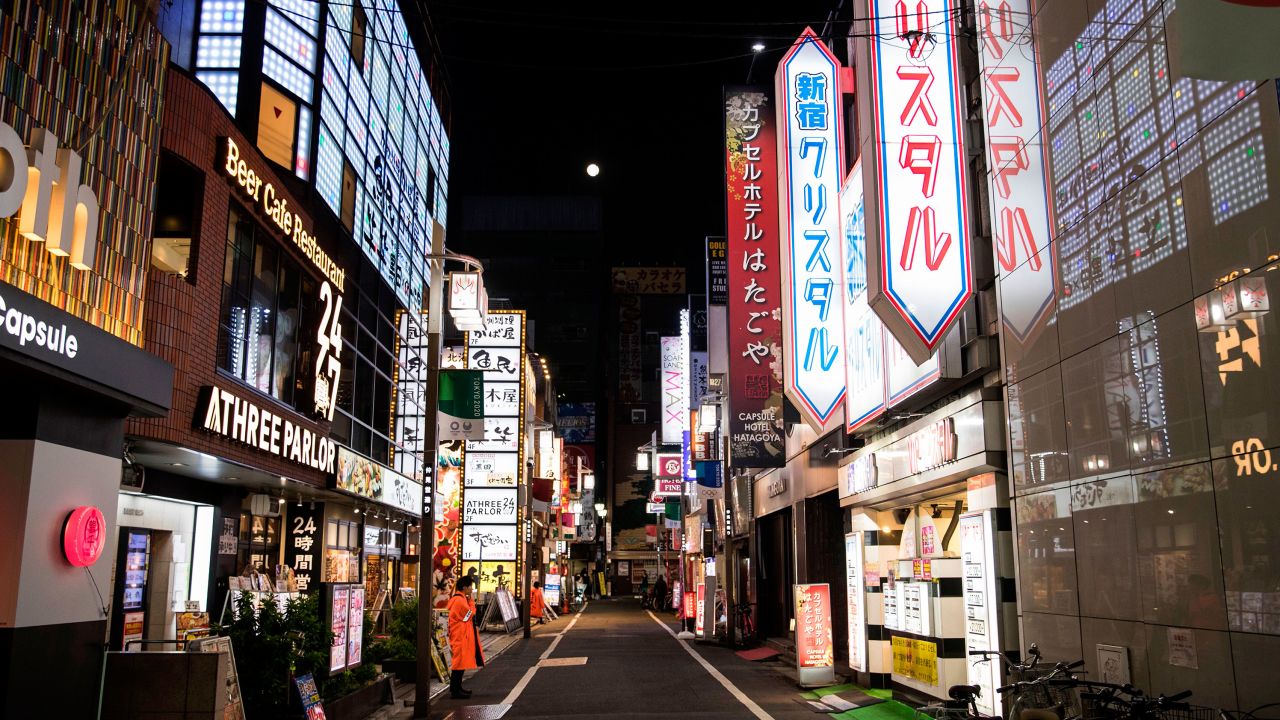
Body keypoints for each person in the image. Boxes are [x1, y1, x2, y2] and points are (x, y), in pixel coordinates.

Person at [447, 576, 485, 699]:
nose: (471, 589)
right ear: (464, 587)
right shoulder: (459, 601)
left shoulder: (459, 599)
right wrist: (472, 603)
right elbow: (469, 615)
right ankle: (455, 691)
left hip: (461, 634)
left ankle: (458, 688)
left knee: (460, 663)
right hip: (460, 635)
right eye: (470, 586)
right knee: (458, 663)